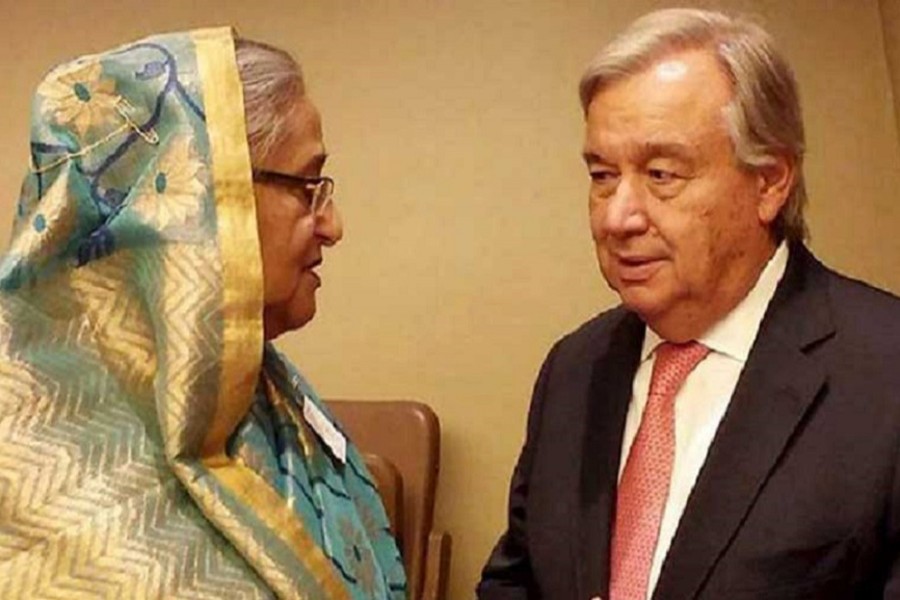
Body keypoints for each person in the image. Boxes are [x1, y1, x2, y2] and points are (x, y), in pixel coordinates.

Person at [478, 8, 900, 600]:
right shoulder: (573, 370)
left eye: (661, 174)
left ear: (770, 181)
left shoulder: (884, 371)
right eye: (602, 176)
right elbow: (517, 579)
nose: (618, 216)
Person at [0, 28, 406, 599]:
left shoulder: (264, 394)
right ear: (206, 199)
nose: (333, 225)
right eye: (308, 186)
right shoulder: (36, 453)